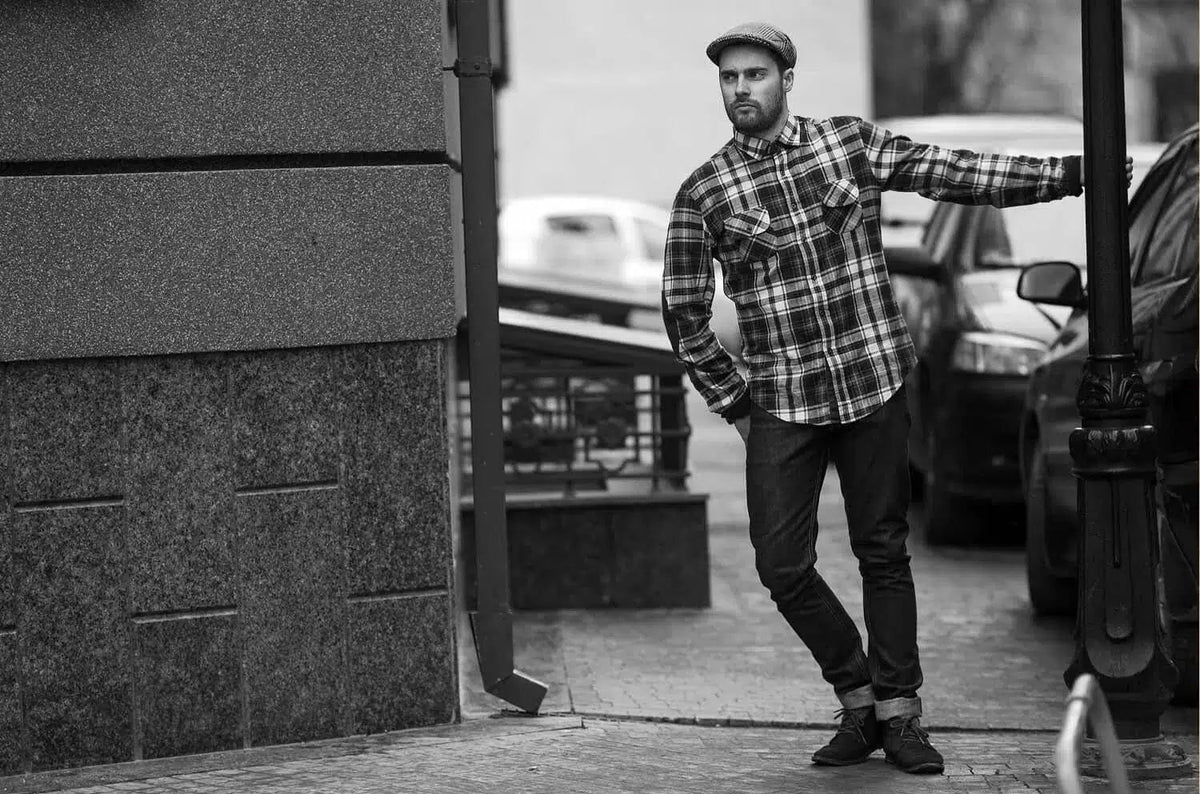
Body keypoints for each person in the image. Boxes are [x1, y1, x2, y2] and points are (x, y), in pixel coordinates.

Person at [660, 21, 1133, 776]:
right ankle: (857, 695)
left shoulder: (848, 144)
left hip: (872, 381)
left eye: (755, 74)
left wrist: (1074, 173)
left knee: (882, 551)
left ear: (786, 79)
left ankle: (900, 713)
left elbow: (957, 173)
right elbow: (682, 311)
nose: (741, 88)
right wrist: (736, 403)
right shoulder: (705, 192)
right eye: (730, 77)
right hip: (782, 399)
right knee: (781, 565)